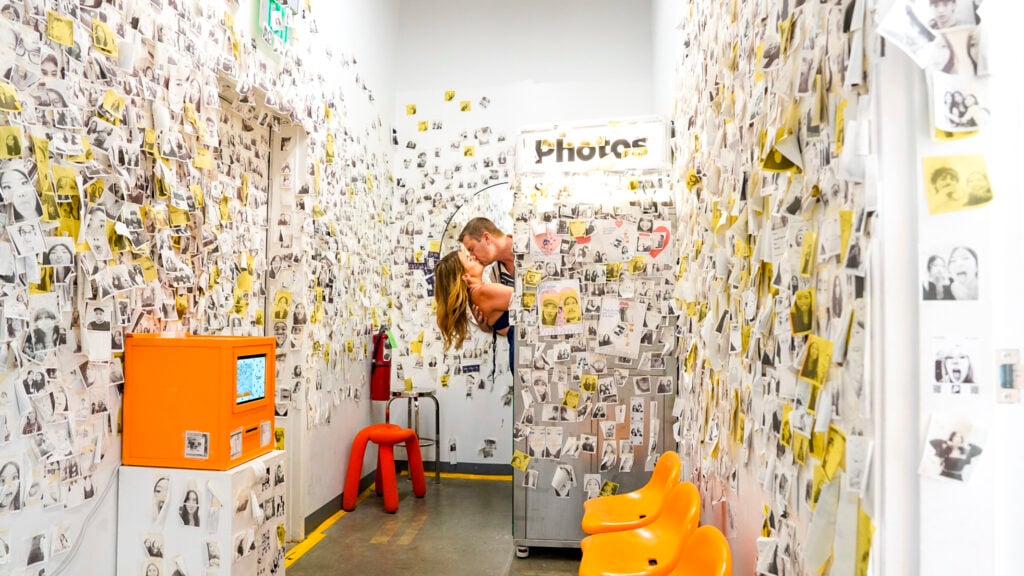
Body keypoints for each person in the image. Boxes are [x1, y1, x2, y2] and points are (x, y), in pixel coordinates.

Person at [434, 250, 513, 359]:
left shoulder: (474, 297)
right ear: (465, 276)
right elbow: (533, 298)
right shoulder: (483, 292)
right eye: (468, 259)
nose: (474, 257)